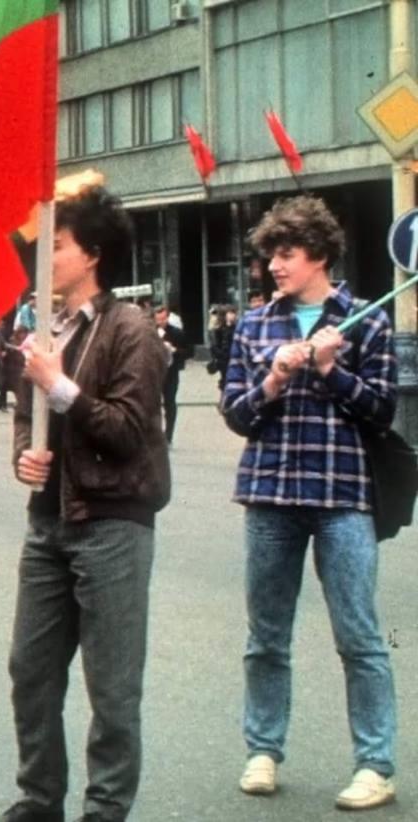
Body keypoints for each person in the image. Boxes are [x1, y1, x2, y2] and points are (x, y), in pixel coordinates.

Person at [221, 195, 398, 811]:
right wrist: (272, 379)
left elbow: (382, 412)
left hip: (343, 496)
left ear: (319, 255)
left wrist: (328, 370)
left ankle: (375, 764)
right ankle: (263, 750)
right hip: (270, 493)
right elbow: (236, 416)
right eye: (271, 253)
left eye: (287, 253)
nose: (274, 264)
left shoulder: (365, 321)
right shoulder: (253, 325)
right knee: (266, 636)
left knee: (359, 636)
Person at [0, 185, 170, 822]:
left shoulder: (131, 329)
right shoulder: (45, 327)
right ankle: (40, 796)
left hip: (112, 523)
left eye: (60, 246)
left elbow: (128, 428)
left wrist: (60, 385)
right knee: (31, 668)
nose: (48, 257)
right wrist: (26, 454)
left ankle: (105, 809)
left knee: (113, 684)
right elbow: (26, 415)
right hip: (49, 522)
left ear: (93, 254)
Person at [153, 305, 190, 445]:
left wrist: (174, 349)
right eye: (158, 319)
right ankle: (155, 433)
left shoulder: (177, 333)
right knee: (153, 405)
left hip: (171, 373)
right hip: (154, 373)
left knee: (170, 403)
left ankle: (168, 434)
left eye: (163, 319)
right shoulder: (150, 332)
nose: (160, 322)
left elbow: (188, 352)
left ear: (167, 317)